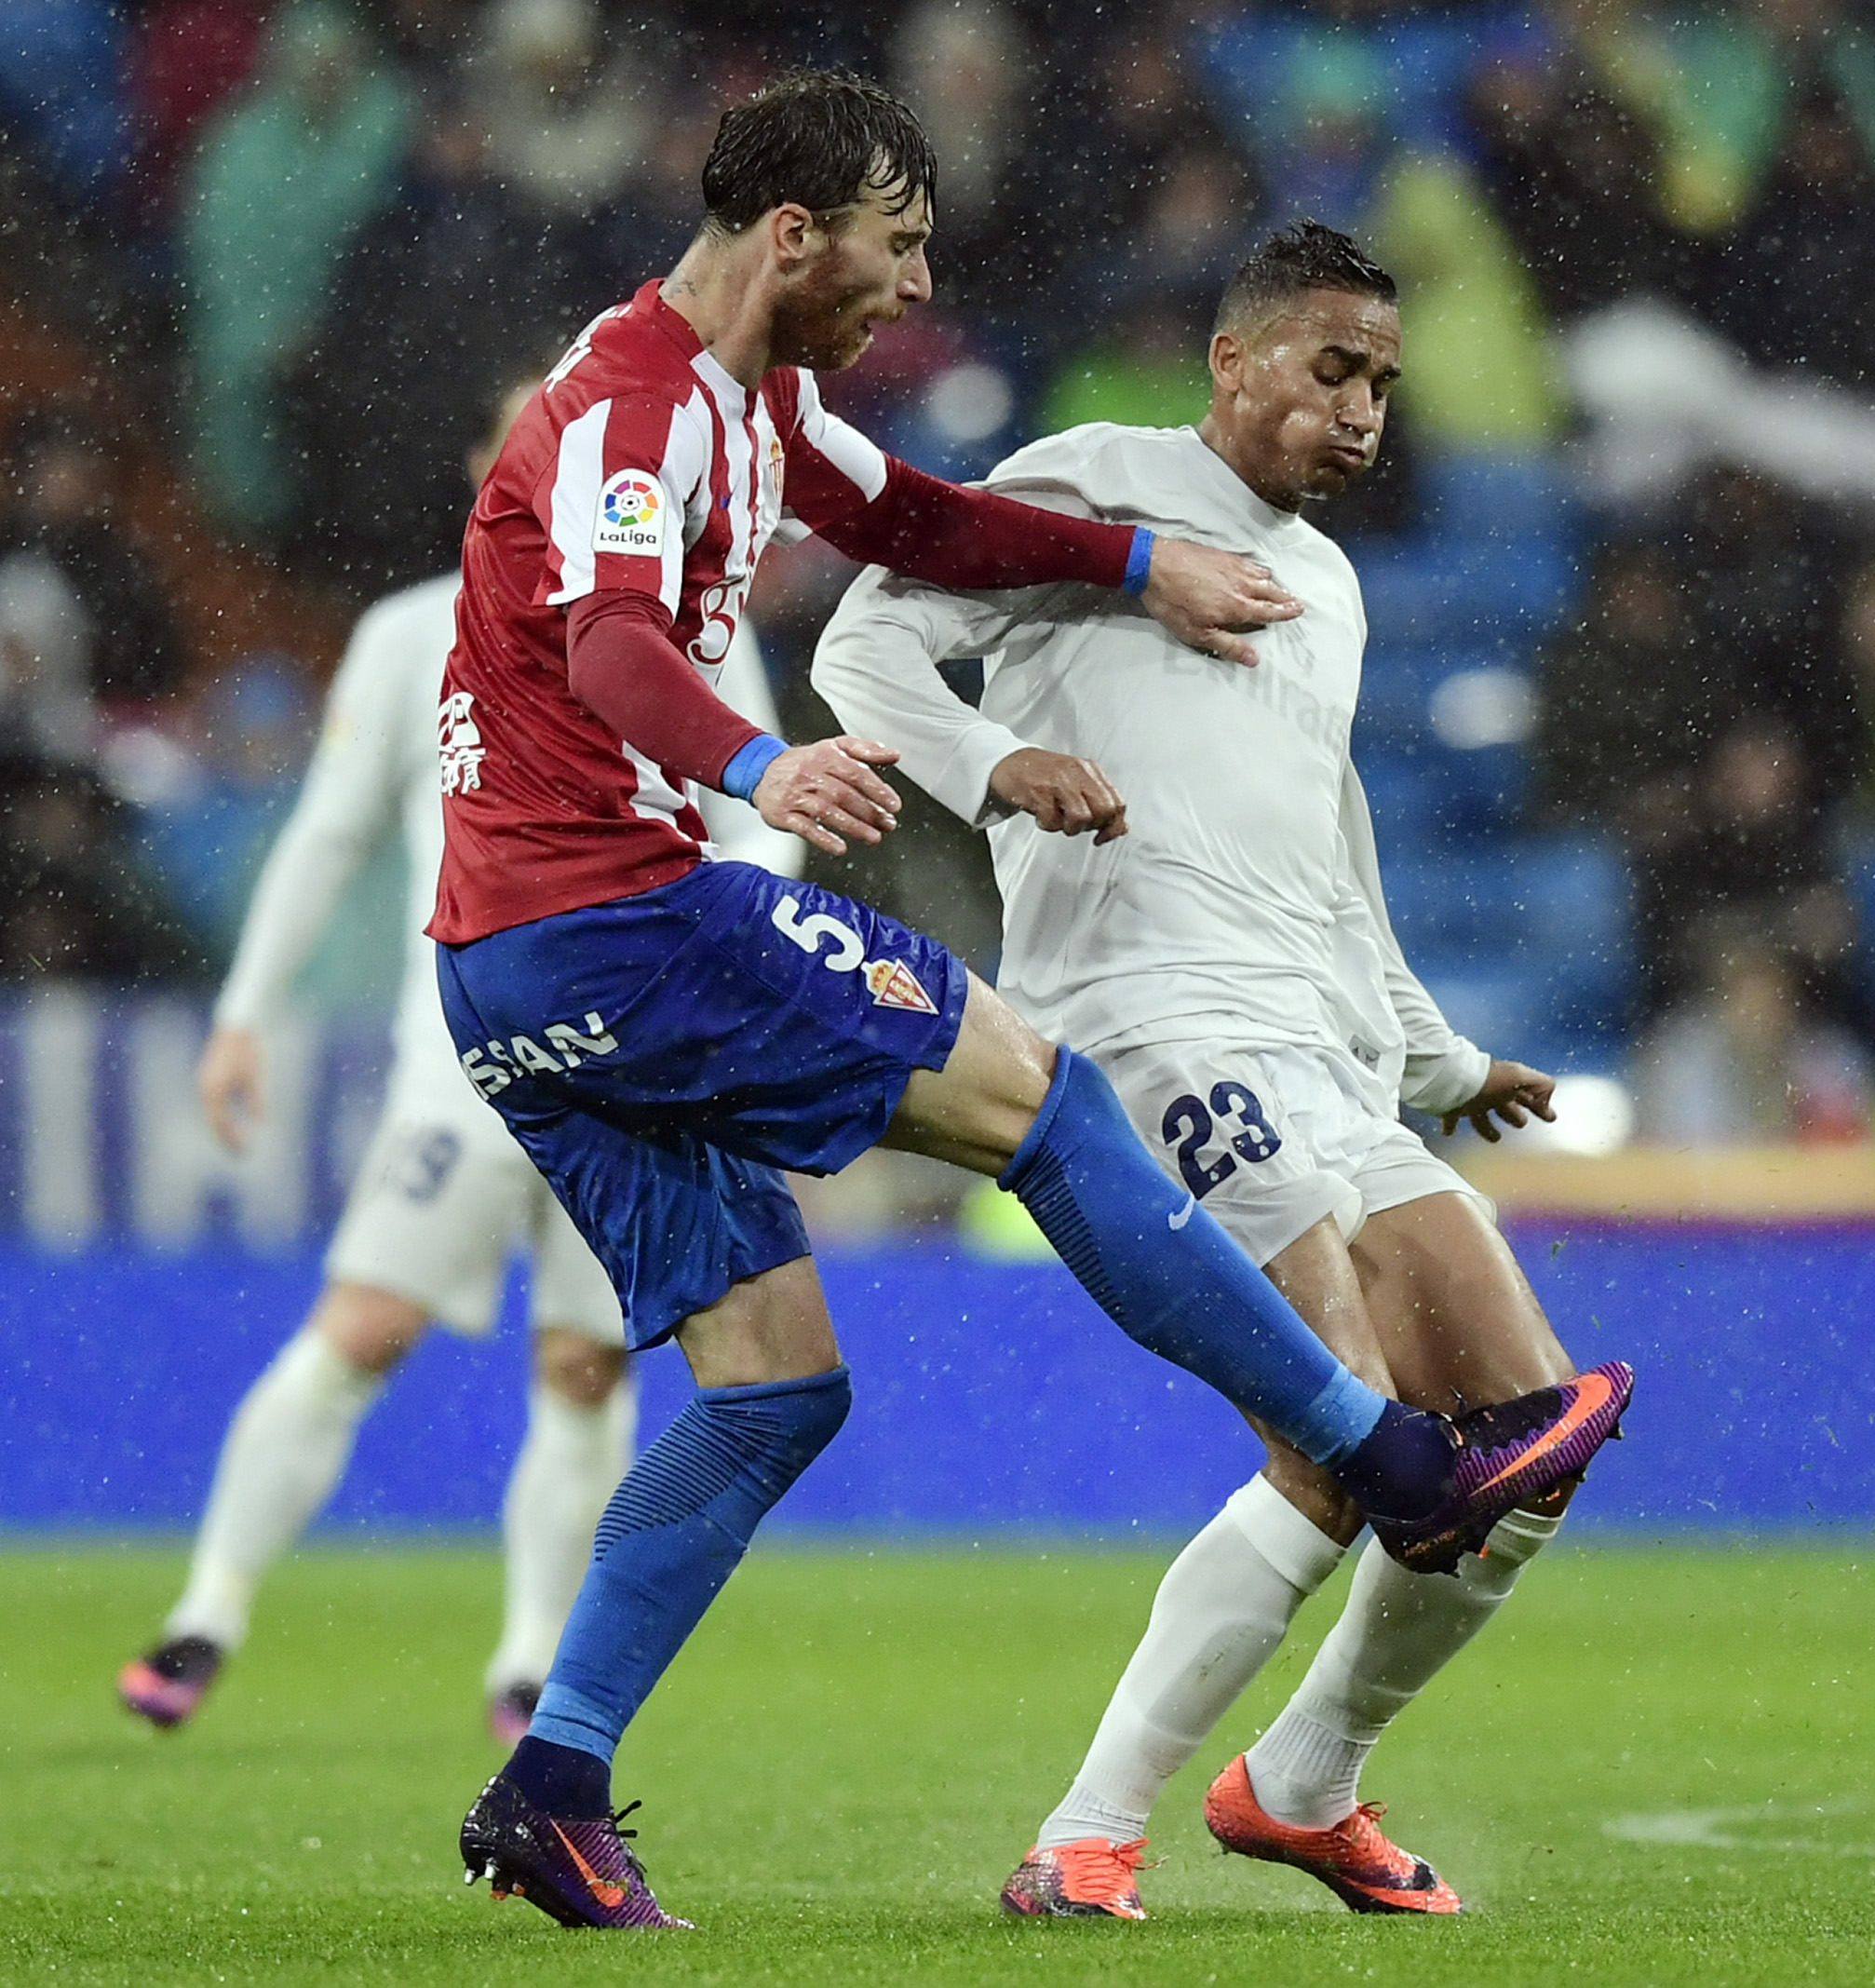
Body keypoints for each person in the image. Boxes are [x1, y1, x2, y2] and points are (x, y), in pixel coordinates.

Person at [434, 76, 1628, 1931]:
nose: (915, 283)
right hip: (619, 921)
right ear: (791, 239)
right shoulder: (638, 407)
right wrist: (764, 766)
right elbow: (604, 645)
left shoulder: (763, 409)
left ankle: (553, 1783)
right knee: (1046, 1096)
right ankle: (1397, 1460)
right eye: (898, 245)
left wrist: (1141, 571)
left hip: (509, 976)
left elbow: (922, 520)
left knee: (768, 1399)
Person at [810, 222, 1595, 1920]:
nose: (1366, 411)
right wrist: (997, 761)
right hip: (1143, 1020)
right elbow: (861, 651)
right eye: (1334, 370)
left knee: (1526, 1442)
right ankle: (1084, 1834)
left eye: (1384, 381)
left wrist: (1440, 1057)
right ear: (1232, 362)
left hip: (1315, 1044)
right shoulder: (1097, 482)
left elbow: (1330, 845)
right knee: (1341, 1428)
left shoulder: (1337, 587)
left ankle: (1305, 1782)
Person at [113, 376, 796, 1746]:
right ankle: (208, 1614)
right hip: (467, 1064)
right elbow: (329, 831)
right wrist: (246, 1006)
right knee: (365, 1325)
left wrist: (728, 985)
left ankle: (528, 1663)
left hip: (634, 1076)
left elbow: (762, 822)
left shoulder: (690, 632)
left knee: (586, 1368)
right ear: (492, 468)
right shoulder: (411, 634)